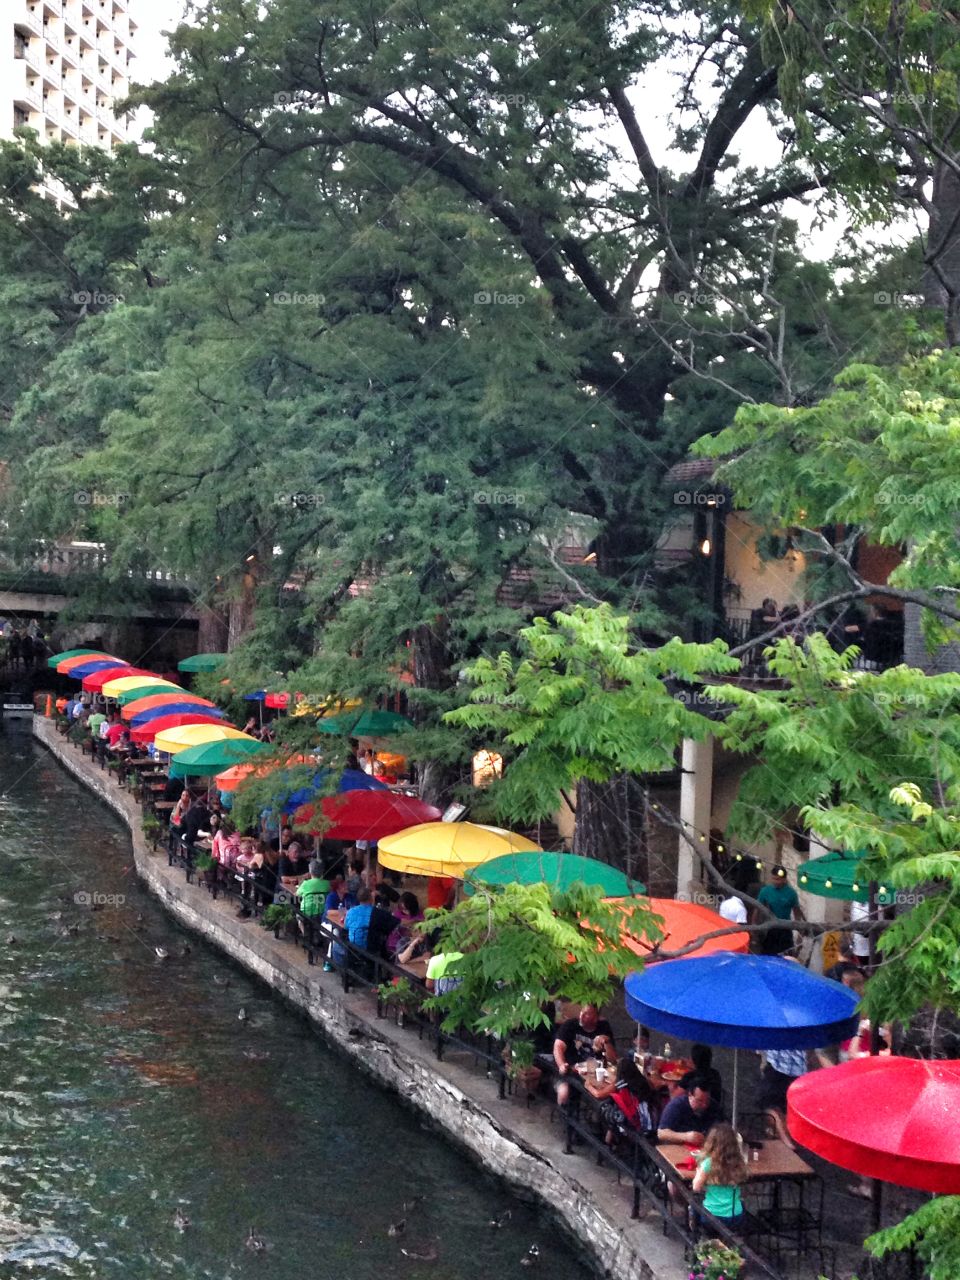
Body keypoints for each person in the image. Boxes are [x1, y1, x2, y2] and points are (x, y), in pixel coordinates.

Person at [553, 1004, 618, 1107]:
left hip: (593, 1074)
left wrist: (606, 1042)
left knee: (607, 1096)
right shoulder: (571, 1025)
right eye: (581, 1012)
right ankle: (566, 1118)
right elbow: (558, 1046)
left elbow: (613, 1059)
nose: (581, 1016)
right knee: (563, 1093)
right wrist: (561, 1065)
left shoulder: (603, 1027)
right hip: (570, 1070)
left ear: (596, 1018)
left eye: (586, 1014)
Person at [586, 1057, 656, 1147]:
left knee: (610, 1108)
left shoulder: (622, 1083)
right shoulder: (644, 1081)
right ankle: (610, 1141)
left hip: (636, 1122)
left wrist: (588, 1086)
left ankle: (607, 1143)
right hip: (650, 1121)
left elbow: (599, 1095)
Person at [692, 1122, 748, 1228]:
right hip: (735, 1215)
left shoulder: (708, 1163)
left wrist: (699, 1172)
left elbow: (696, 1187)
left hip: (712, 1216)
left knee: (694, 1205)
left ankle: (694, 1231)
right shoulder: (739, 1162)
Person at [759, 1046, 810, 1147]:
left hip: (777, 1067)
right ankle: (786, 1138)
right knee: (786, 1109)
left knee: (768, 1105)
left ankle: (786, 1141)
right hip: (799, 1069)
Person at [755, 864, 803, 955]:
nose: (775, 881)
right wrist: (755, 927)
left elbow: (797, 912)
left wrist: (799, 931)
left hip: (785, 929)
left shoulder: (791, 893)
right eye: (773, 878)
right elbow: (757, 909)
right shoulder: (765, 891)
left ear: (784, 879)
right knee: (768, 955)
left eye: (778, 879)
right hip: (770, 928)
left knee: (786, 956)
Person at [657, 1075, 722, 1143]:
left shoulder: (714, 1107)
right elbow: (661, 1133)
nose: (704, 1105)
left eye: (707, 1100)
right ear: (690, 1095)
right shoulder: (676, 1106)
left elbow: (723, 1128)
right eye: (700, 1101)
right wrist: (686, 1137)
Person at [386, 891, 424, 958]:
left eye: (406, 909)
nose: (405, 911)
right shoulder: (397, 914)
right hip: (396, 946)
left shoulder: (419, 915)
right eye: (403, 909)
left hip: (413, 946)